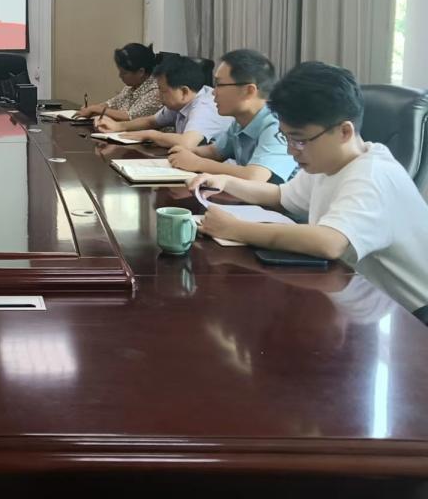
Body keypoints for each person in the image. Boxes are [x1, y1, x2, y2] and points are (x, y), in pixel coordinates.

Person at [189, 62, 428, 323]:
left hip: (412, 316)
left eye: (300, 139)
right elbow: (280, 196)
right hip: (365, 299)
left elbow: (329, 243)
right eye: (287, 138)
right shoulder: (329, 163)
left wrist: (235, 229)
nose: (291, 150)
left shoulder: (372, 175)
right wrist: (227, 182)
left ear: (344, 131)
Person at [167, 49, 296, 183]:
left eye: (219, 84)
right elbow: (215, 152)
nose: (213, 92)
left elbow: (255, 176)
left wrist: (197, 163)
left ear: (249, 91)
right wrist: (188, 152)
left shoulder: (277, 125)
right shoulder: (241, 121)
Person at [97, 53, 232, 148]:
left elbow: (187, 142)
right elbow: (151, 121)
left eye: (162, 91)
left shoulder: (204, 106)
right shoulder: (181, 103)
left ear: (184, 92)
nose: (158, 96)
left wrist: (150, 135)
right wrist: (118, 126)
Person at [76, 42, 161, 122]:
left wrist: (96, 109)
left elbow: (129, 116)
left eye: (124, 73)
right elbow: (113, 103)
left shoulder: (156, 92)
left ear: (140, 72)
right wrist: (90, 109)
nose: (120, 76)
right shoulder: (132, 86)